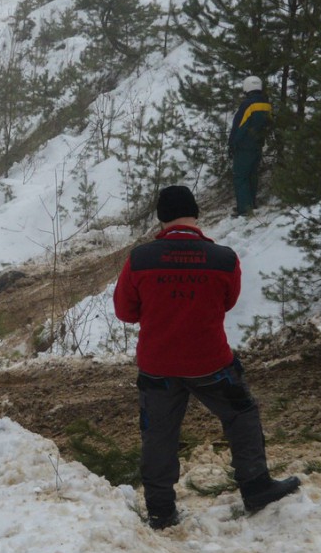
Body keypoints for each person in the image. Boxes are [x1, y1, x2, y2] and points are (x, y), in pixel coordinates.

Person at [113, 185, 300, 530]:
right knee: (241, 414)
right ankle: (256, 486)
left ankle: (160, 510)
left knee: (158, 434)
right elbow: (227, 302)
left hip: (158, 365)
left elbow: (125, 312)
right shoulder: (223, 259)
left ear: (162, 218)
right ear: (195, 215)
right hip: (210, 362)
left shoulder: (140, 259)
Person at [228, 75, 271, 217]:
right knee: (252, 175)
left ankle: (245, 209)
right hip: (257, 145)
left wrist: (232, 144)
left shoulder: (247, 105)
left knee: (241, 177)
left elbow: (239, 126)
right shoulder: (266, 104)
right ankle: (252, 204)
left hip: (244, 146)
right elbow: (268, 125)